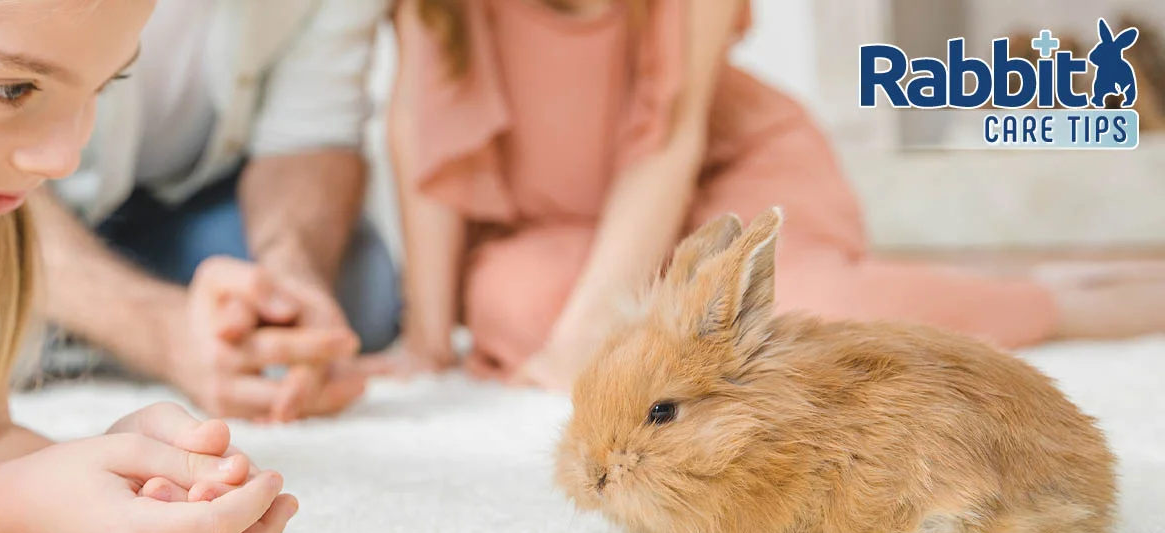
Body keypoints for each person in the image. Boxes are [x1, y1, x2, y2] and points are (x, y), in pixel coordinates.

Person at [380, 0, 1165, 392]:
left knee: (788, 316)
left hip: (727, 172)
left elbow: (670, 137)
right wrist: (422, 335)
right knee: (517, 305)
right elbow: (424, 132)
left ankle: (1057, 304)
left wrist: (580, 337)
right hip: (571, 226)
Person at [0, 0, 296, 533]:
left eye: (105, 85)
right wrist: (12, 514)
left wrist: (105, 474)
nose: (63, 160)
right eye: (12, 88)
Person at [32, 0, 399, 424]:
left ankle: (60, 329)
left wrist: (287, 283)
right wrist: (166, 335)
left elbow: (311, 134)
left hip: (194, 193)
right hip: (23, 196)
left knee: (362, 290)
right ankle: (39, 317)